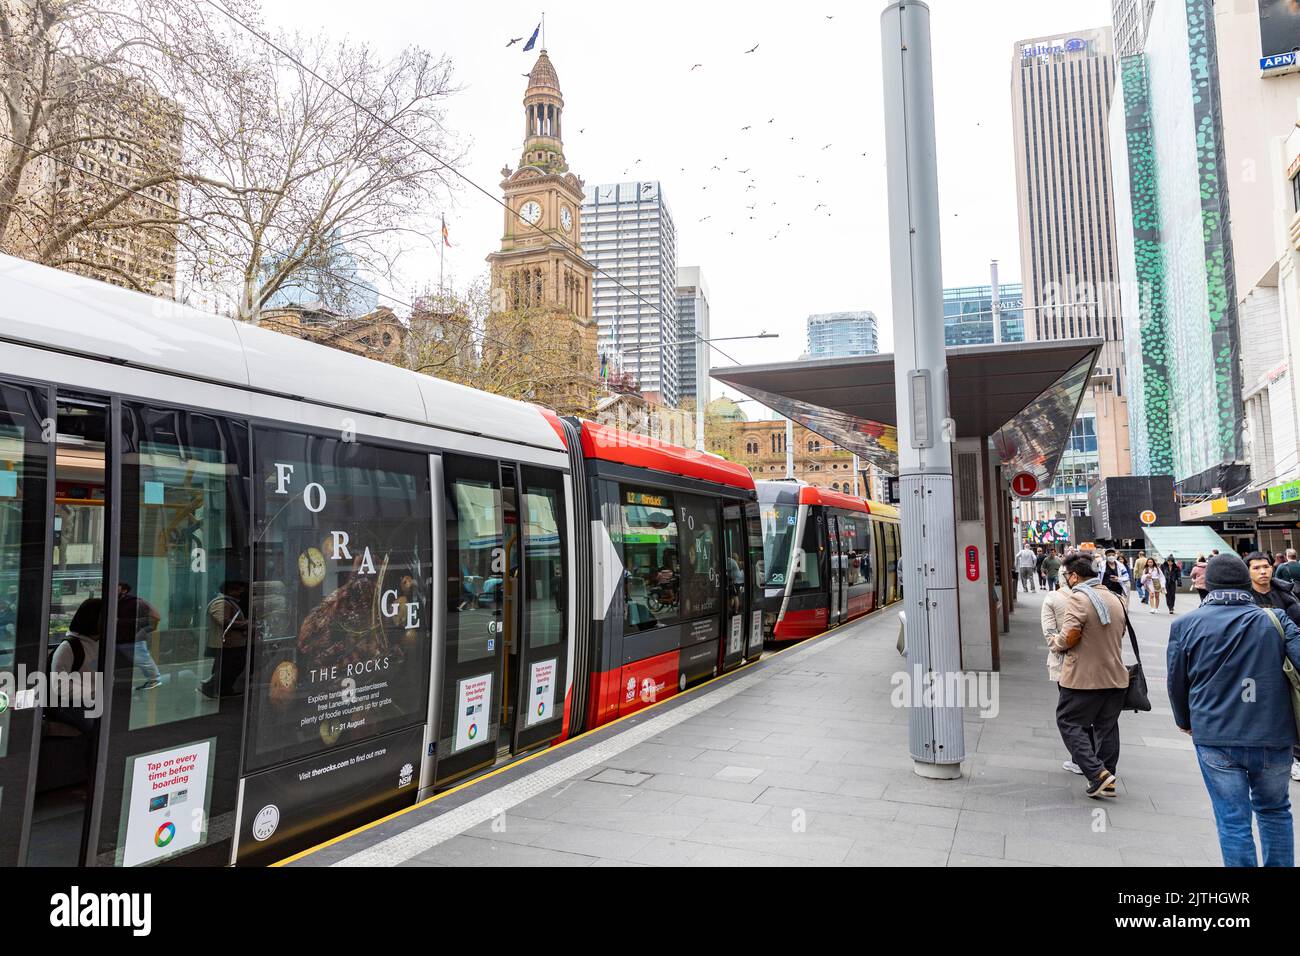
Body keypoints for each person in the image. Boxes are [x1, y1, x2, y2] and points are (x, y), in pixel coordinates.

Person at [1167, 553, 1300, 866]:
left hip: (1215, 734)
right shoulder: (1276, 620)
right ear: (1246, 581)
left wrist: (1185, 721)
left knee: (1232, 819)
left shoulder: (1185, 624)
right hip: (1273, 732)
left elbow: (1176, 682)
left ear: (1207, 584)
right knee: (1275, 810)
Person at [1048, 552, 1130, 797]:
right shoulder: (1115, 598)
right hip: (1115, 676)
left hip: (1085, 677)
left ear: (1074, 576)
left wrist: (1056, 642)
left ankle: (1096, 773)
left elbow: (1070, 634)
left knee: (1069, 721)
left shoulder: (1080, 598)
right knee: (1107, 726)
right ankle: (1107, 776)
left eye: (1066, 575)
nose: (1066, 579)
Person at [1040, 580, 1082, 774]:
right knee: (1094, 714)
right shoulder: (1102, 597)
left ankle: (1082, 760)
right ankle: (1099, 759)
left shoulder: (1053, 598)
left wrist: (1060, 647)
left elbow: (1050, 635)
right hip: (1097, 666)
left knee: (1070, 715)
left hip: (1065, 663)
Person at [200, 580, 248, 699]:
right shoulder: (221, 603)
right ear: (229, 590)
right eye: (237, 590)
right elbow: (224, 621)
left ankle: (224, 689)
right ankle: (211, 688)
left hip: (231, 642)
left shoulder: (228, 602)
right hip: (227, 643)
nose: (240, 592)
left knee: (230, 666)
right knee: (229, 667)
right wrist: (245, 624)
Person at [116, 582, 162, 690]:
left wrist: (144, 630)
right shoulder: (114, 602)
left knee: (143, 660)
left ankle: (154, 679)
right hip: (120, 640)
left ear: (124, 590)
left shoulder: (136, 602)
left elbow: (155, 617)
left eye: (116, 586)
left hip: (133, 639)